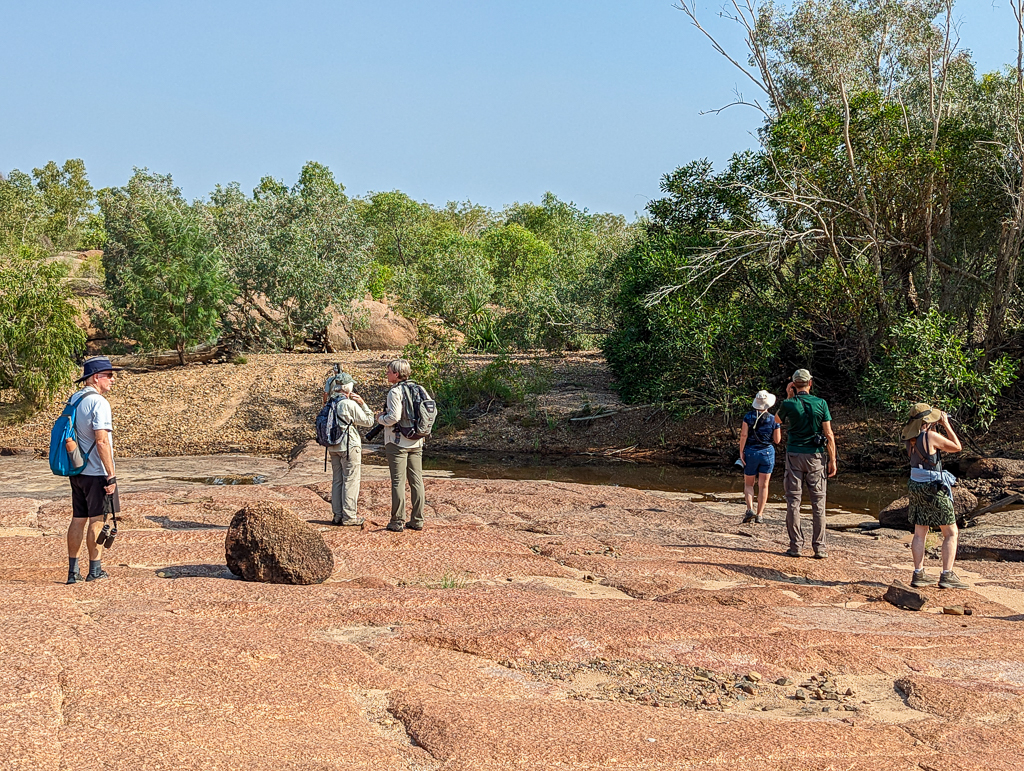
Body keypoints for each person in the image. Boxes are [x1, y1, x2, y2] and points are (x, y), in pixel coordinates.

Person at [65, 357, 123, 583]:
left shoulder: (75, 399)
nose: (112, 380)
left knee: (78, 518)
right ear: (96, 378)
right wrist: (111, 475)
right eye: (109, 375)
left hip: (76, 469)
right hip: (96, 472)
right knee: (97, 519)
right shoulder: (99, 403)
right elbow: (101, 441)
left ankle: (72, 572)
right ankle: (95, 570)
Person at [902, 403, 968, 589]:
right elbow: (957, 447)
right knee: (950, 532)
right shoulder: (930, 436)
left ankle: (919, 573)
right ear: (927, 421)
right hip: (933, 487)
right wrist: (946, 424)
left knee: (919, 531)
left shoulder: (909, 436)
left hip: (916, 484)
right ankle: (947, 575)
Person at [777, 368, 837, 559]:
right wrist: (833, 459)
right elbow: (828, 434)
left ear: (794, 384)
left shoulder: (788, 403)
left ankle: (796, 546)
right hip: (816, 457)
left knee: (793, 501)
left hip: (794, 455)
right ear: (810, 383)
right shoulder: (821, 403)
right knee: (818, 503)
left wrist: (788, 395)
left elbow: (777, 420)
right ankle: (819, 547)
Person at [377, 359, 426, 532]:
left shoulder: (395, 392)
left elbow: (394, 417)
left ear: (396, 374)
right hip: (417, 440)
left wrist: (380, 419)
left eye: (389, 371)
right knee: (416, 481)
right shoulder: (420, 389)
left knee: (398, 481)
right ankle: (417, 520)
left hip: (397, 442)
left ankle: (397, 521)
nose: (387, 374)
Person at [324, 372, 375, 526]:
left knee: (337, 480)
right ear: (348, 387)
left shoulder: (330, 402)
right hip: (348, 445)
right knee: (351, 480)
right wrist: (362, 404)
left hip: (332, 445)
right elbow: (369, 421)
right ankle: (350, 516)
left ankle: (337, 515)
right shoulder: (349, 403)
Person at [739, 390, 782, 524]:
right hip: (767, 453)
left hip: (751, 452)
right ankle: (760, 515)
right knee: (764, 485)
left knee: (749, 483)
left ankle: (749, 509)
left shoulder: (748, 417)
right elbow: (777, 440)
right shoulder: (774, 419)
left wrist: (741, 452)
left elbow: (743, 435)